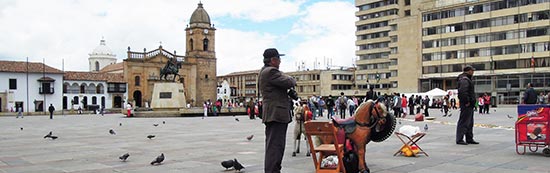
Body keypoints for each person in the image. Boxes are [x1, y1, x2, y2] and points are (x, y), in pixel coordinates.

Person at [259, 48, 296, 173]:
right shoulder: (271, 72)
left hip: (273, 114)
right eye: (279, 59)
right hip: (276, 114)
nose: (280, 61)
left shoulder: (265, 71)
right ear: (273, 60)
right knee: (276, 147)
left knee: (273, 146)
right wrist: (290, 78)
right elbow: (289, 81)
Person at [456, 65, 479, 145]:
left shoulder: (467, 79)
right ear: (468, 71)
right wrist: (467, 101)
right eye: (472, 71)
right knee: (464, 121)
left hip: (470, 104)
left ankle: (469, 138)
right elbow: (463, 92)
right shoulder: (464, 79)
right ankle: (459, 139)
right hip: (466, 104)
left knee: (469, 122)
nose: (473, 72)